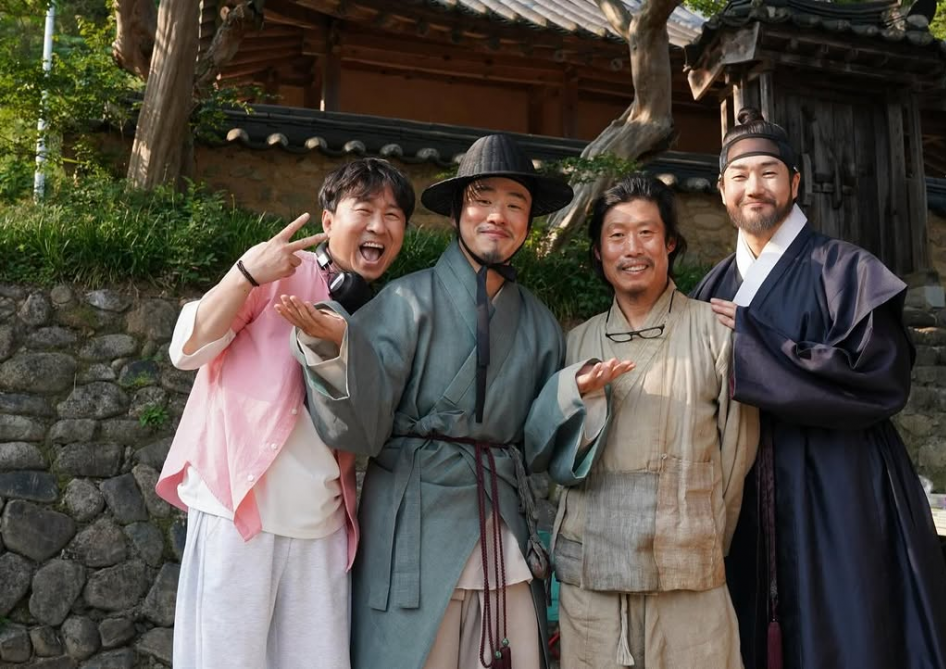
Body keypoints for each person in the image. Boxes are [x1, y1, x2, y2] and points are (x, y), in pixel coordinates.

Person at [277, 134, 575, 669]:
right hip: (413, 523)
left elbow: (538, 446)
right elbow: (363, 429)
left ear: (529, 222)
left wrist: (575, 394)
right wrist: (337, 348)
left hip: (501, 525)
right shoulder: (404, 300)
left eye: (515, 205)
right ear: (458, 212)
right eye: (484, 200)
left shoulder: (541, 325)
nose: (498, 216)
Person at [691, 107, 946, 669]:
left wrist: (756, 344)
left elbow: (879, 378)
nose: (754, 188)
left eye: (768, 173)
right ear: (722, 191)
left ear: (795, 183)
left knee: (849, 627)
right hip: (742, 486)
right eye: (739, 176)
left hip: (840, 482)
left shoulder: (846, 270)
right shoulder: (713, 285)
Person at [156, 158, 415, 669]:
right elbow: (185, 350)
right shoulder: (277, 275)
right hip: (239, 508)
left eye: (393, 216)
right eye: (364, 210)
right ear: (328, 221)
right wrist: (245, 275)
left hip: (322, 523)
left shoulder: (386, 314)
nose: (379, 226)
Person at [524, 174, 758, 668]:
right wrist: (574, 393)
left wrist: (704, 540)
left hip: (688, 568)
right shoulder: (577, 343)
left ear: (670, 243)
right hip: (593, 572)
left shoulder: (716, 333)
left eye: (647, 233)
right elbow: (543, 450)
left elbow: (737, 455)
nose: (632, 248)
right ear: (598, 252)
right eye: (617, 235)